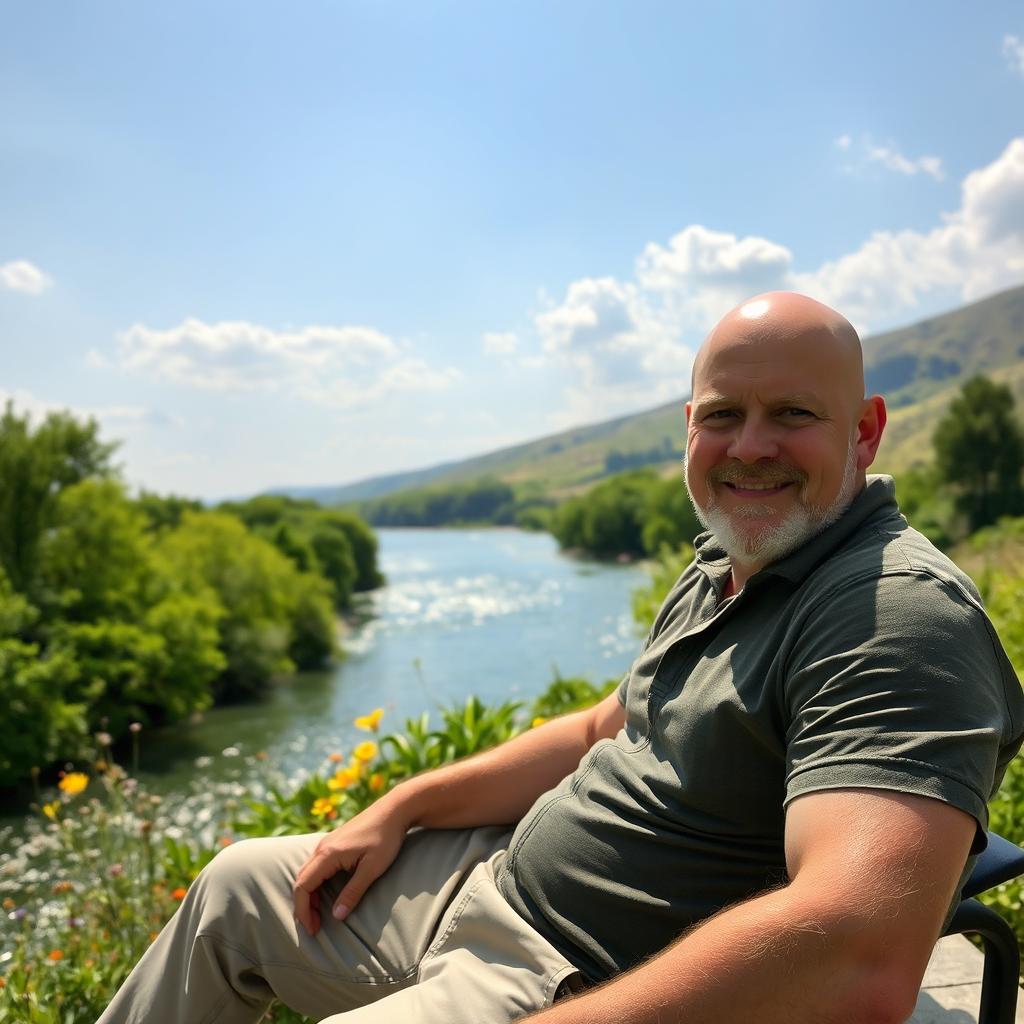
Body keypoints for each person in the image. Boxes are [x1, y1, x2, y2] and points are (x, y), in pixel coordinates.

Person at [100, 292, 1024, 1024]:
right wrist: (400, 806)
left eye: (791, 414)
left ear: (864, 430)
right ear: (687, 427)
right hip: (487, 888)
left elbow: (858, 954)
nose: (749, 447)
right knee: (233, 890)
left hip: (572, 977)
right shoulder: (728, 565)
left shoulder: (893, 616)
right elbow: (597, 729)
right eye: (721, 414)